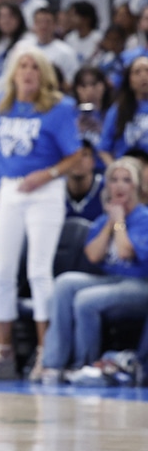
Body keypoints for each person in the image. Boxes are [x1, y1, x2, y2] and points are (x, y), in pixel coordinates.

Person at [0, 47, 84, 380]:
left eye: (34, 66)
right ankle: (3, 352)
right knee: (1, 272)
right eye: (22, 65)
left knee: (39, 270)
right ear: (13, 72)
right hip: (10, 188)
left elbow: (76, 155)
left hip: (46, 190)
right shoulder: (2, 107)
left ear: (44, 73)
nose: (28, 71)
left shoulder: (59, 108)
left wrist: (48, 174)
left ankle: (45, 353)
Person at [40, 156, 148, 384]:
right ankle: (53, 365)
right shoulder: (104, 219)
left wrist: (119, 223)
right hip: (111, 280)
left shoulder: (143, 217)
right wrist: (110, 222)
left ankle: (84, 365)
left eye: (126, 180)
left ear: (136, 186)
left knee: (86, 300)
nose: (118, 185)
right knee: (64, 283)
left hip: (139, 285)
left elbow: (126, 251)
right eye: (114, 180)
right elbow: (93, 255)